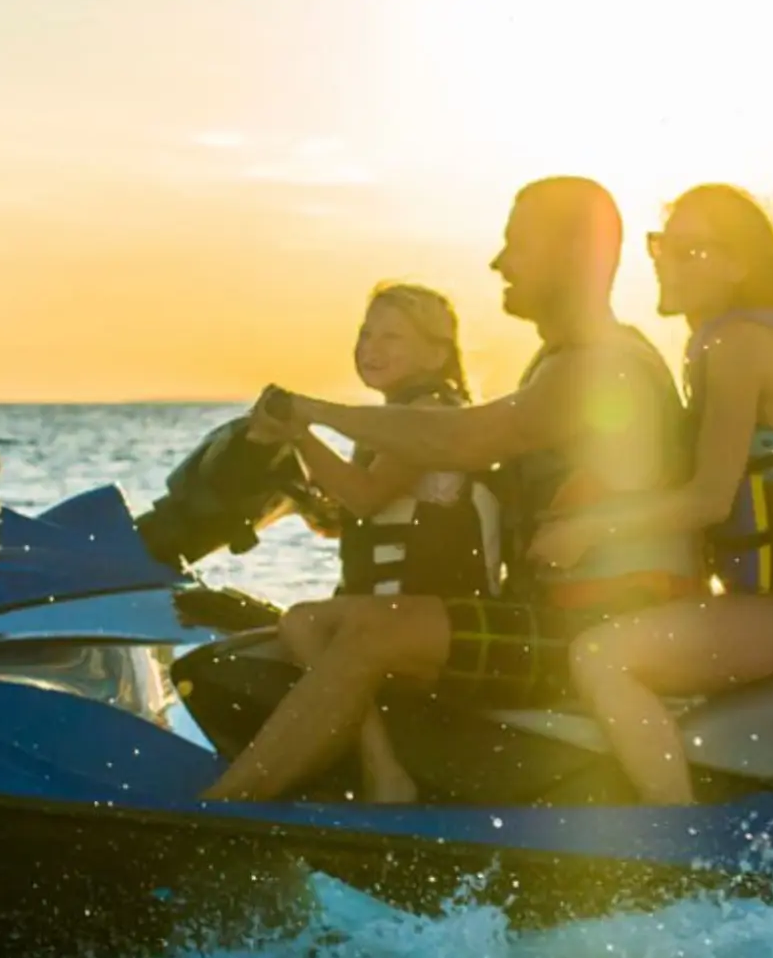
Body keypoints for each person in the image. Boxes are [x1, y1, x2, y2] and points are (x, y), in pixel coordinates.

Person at [205, 176, 695, 803]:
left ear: (577, 252)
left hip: (597, 625)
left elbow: (462, 440)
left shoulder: (604, 365)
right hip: (548, 615)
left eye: (517, 244)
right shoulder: (559, 360)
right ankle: (368, 786)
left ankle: (226, 809)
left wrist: (310, 412)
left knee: (370, 635)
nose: (499, 263)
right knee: (305, 626)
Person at [527, 184, 773, 806]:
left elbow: (709, 500)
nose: (665, 261)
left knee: (601, 657)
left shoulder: (735, 346)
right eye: (663, 246)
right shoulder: (735, 340)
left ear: (738, 265)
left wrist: (584, 532)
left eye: (691, 252)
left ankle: (679, 837)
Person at [271, 282, 496, 803]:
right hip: (389, 609)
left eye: (392, 336)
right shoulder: (390, 420)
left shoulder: (433, 416)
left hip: (436, 614)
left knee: (302, 623)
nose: (371, 348)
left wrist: (299, 433)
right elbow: (354, 512)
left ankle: (384, 771)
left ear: (438, 353)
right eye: (366, 333)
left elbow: (368, 497)